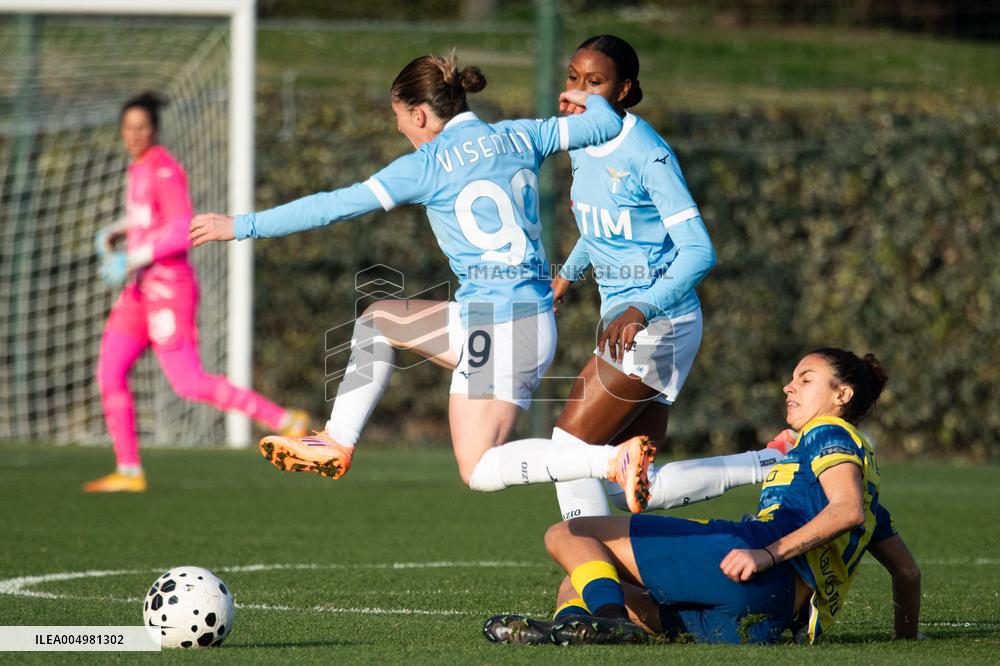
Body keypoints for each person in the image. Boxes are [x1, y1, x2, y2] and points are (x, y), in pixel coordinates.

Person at [190, 54, 661, 503]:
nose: (404, 133)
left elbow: (333, 205)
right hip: (518, 319)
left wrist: (242, 225)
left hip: (497, 327)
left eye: (401, 121)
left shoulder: (429, 164)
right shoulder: (521, 134)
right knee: (378, 321)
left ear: (419, 115)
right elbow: (607, 124)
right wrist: (588, 99)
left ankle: (609, 461)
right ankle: (336, 439)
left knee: (478, 468)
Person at [484, 348, 903, 645]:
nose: (788, 387)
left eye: (805, 380)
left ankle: (605, 620)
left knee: (569, 533)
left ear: (842, 395)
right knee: (579, 580)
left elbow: (845, 510)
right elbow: (907, 572)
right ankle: (573, 628)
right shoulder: (867, 486)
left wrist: (767, 555)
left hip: (750, 564)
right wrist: (907, 637)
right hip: (766, 620)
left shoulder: (828, 432)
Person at [534, 35, 778, 520]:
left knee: (569, 451)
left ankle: (595, 566)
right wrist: (567, 277)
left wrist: (640, 307)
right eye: (574, 77)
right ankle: (772, 462)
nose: (580, 90)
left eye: (595, 82)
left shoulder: (647, 153)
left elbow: (699, 251)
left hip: (658, 324)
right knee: (627, 482)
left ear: (624, 90)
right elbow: (602, 226)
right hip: (628, 322)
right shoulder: (581, 140)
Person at [86, 92, 309, 493]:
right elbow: (149, 219)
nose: (134, 134)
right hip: (138, 292)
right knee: (109, 372)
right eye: (128, 128)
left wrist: (132, 257)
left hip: (168, 291)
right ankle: (129, 471)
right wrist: (119, 230)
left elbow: (182, 228)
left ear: (155, 130)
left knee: (188, 382)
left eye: (142, 127)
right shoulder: (138, 169)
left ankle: (284, 420)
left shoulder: (164, 169)